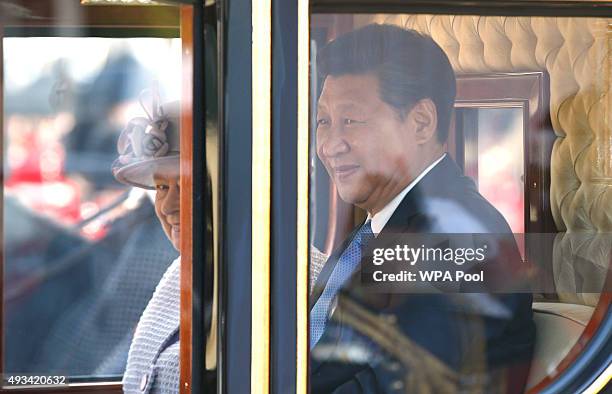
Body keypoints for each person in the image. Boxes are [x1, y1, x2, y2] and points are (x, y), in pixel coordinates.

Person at [310, 24, 535, 393]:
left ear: (421, 122)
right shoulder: (375, 230)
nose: (331, 145)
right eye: (323, 121)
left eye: (350, 120)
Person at [111, 94, 214, 394]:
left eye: (184, 185)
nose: (168, 206)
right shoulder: (177, 275)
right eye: (161, 186)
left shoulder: (280, 278)